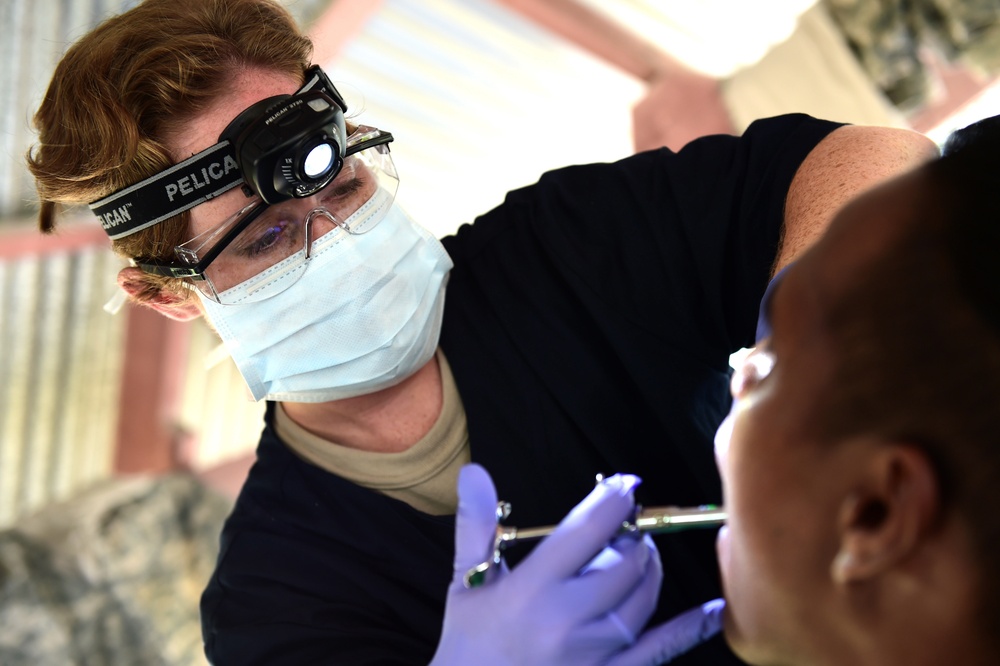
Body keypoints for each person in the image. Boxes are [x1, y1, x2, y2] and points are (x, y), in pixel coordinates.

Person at [26, 0, 937, 663]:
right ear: (168, 296)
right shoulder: (278, 605)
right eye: (264, 237)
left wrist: (817, 352)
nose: (335, 235)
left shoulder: (565, 249)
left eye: (342, 187)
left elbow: (871, 161)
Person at [445, 114, 1000, 665]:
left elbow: (888, 157)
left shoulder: (539, 249)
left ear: (875, 513)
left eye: (769, 366)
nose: (740, 374)